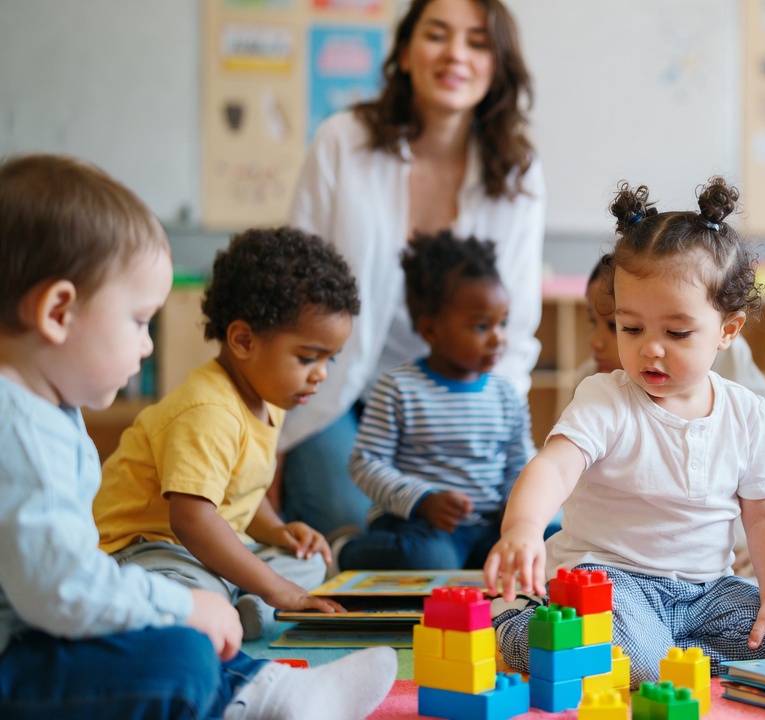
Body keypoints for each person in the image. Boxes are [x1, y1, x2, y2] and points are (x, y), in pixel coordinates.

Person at [0, 154, 394, 719]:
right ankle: (254, 692)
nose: (147, 346)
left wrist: (274, 537)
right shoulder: (21, 430)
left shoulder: (47, 412)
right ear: (59, 312)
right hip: (77, 609)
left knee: (274, 583)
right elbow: (65, 590)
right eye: (140, 321)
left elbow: (239, 491)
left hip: (47, 625)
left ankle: (254, 670)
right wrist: (181, 607)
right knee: (181, 655)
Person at [485, 178, 765, 683]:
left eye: (676, 333)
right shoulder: (605, 397)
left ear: (728, 330)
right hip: (610, 579)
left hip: (707, 591)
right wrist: (523, 528)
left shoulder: (746, 411)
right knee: (634, 659)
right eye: (631, 328)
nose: (649, 348)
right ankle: (520, 625)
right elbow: (554, 467)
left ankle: (661, 655)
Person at [281, 0, 545, 535]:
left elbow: (514, 330)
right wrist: (269, 431)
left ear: (497, 64)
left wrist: (494, 435)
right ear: (404, 52)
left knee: (522, 524)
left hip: (457, 403)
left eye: (477, 42)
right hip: (340, 393)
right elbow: (294, 288)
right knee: (355, 524)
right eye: (437, 35)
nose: (455, 55)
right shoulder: (342, 141)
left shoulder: (517, 171)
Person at [94, 228, 361, 641]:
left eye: (330, 360)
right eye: (308, 358)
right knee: (202, 590)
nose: (321, 374)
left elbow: (238, 493)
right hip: (147, 550)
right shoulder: (207, 411)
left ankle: (244, 609)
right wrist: (276, 589)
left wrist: (277, 531)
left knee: (310, 561)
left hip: (205, 548)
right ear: (243, 340)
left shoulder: (268, 398)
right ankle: (236, 607)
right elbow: (193, 519)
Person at [580, 254, 765, 585]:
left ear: (725, 333)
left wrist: (758, 551)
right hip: (633, 555)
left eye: (613, 327)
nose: (596, 342)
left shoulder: (739, 390)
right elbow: (563, 470)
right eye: (630, 327)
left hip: (726, 547)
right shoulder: (593, 385)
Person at [339, 230, 533, 570]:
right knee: (432, 559)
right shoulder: (398, 388)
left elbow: (520, 464)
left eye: (502, 323)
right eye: (481, 327)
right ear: (431, 330)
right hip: (418, 524)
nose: (498, 338)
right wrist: (422, 499)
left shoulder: (506, 395)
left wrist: (515, 508)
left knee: (550, 539)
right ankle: (346, 550)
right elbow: (366, 463)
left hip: (488, 528)